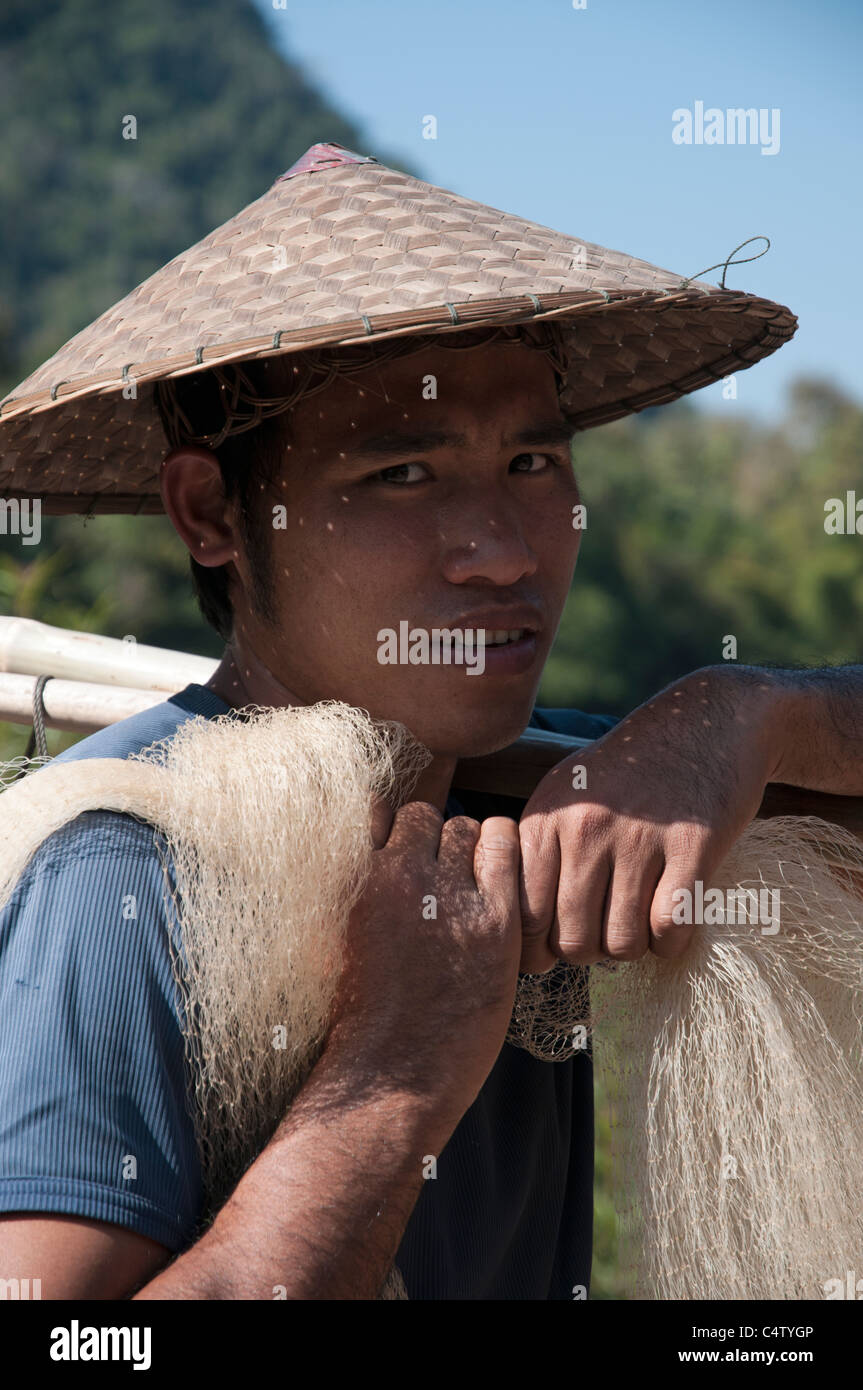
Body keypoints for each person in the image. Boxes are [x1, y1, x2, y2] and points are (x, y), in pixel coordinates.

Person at [0, 143, 860, 1301]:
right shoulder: (126, 872)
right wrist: (393, 1070)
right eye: (401, 473)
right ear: (210, 513)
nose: (504, 551)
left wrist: (745, 715)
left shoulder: (561, 794)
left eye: (530, 459)